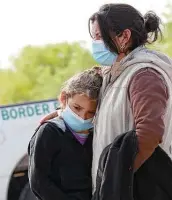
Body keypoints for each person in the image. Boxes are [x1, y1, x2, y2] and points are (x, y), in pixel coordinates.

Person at [40, 3, 172, 193]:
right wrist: (63, 114)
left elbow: (150, 133)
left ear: (124, 36)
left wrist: (115, 181)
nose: (95, 43)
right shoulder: (115, 73)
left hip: (136, 191)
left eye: (99, 36)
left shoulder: (145, 75)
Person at [28, 68, 103, 200]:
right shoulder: (50, 132)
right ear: (64, 98)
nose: (82, 117)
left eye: (90, 113)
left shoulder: (96, 134)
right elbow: (38, 182)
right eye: (77, 108)